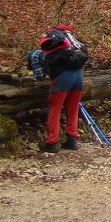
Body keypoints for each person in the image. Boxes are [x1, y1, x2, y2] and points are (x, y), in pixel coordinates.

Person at [29, 25, 86, 153]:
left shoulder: (37, 54)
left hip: (63, 77)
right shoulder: (72, 43)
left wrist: (41, 76)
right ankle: (72, 140)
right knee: (73, 107)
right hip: (79, 75)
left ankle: (52, 142)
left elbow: (39, 76)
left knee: (55, 107)